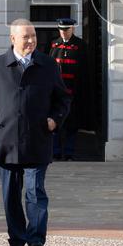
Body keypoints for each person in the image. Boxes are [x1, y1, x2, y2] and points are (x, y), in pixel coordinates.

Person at [0, 18, 70, 246]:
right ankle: (17, 241)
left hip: (37, 140)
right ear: (12, 39)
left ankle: (36, 240)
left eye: (33, 36)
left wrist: (54, 119)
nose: (30, 41)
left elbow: (63, 99)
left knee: (35, 191)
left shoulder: (48, 65)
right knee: (11, 195)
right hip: (6, 143)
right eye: (25, 37)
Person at [47, 17, 89, 161]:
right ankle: (56, 151)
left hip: (73, 93)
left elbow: (85, 71)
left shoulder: (81, 45)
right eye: (61, 30)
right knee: (55, 121)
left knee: (71, 124)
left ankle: (69, 152)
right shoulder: (54, 44)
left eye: (67, 29)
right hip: (56, 93)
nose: (63, 32)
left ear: (72, 29)